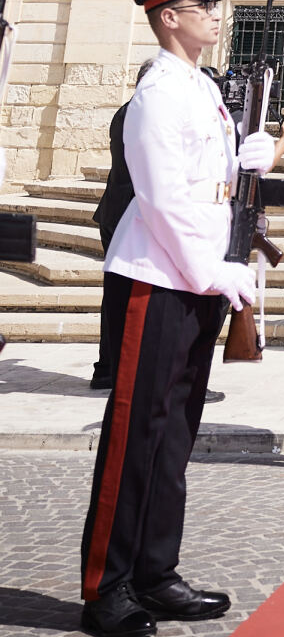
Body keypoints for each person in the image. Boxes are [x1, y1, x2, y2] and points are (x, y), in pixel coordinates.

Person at [78, 0, 278, 637]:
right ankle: (108, 585)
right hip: (160, 277)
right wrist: (211, 269)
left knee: (174, 434)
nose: (216, 12)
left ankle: (157, 569)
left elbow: (212, 186)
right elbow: (160, 197)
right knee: (136, 433)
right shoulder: (157, 93)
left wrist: (251, 159)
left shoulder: (204, 87)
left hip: (199, 280)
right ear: (170, 16)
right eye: (205, 3)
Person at [89, 60, 154, 392]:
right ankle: (122, 372)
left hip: (115, 212)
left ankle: (107, 368)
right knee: (130, 298)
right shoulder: (141, 114)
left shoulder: (125, 111)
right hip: (130, 216)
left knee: (115, 296)